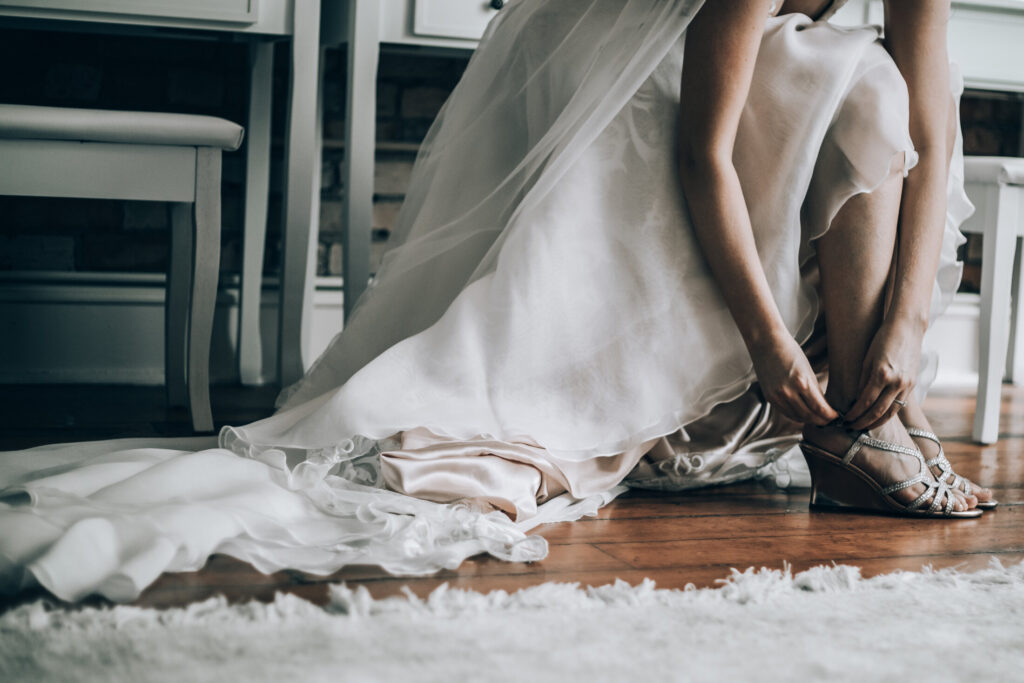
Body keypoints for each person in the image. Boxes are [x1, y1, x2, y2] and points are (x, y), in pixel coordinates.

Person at [0, 0, 995, 604]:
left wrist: (908, 321)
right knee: (852, 80)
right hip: (615, 45)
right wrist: (772, 346)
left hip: (744, 47)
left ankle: (871, 420)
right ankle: (862, 436)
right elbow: (702, 151)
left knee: (881, 77)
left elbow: (931, 114)